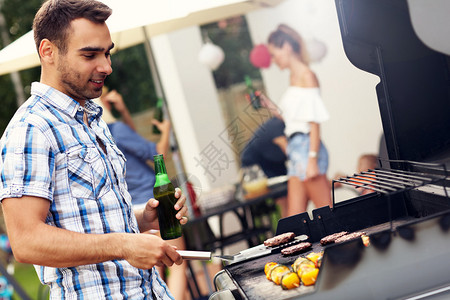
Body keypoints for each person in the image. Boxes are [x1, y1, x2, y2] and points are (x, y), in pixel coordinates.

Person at [0, 1, 189, 299]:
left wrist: (141, 217)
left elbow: (85, 216)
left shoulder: (92, 118)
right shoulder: (32, 128)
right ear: (48, 52)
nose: (106, 66)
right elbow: (25, 241)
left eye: (107, 52)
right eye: (90, 54)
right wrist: (124, 245)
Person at [96, 88, 189, 300]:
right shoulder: (117, 130)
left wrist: (124, 112)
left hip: (133, 210)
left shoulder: (101, 138)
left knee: (156, 270)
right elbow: (158, 155)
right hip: (156, 203)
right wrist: (166, 130)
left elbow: (131, 145)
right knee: (176, 263)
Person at [260, 24, 332, 216]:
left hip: (308, 148)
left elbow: (314, 122)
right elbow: (293, 120)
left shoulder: (308, 76)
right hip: (295, 150)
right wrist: (269, 106)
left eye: (274, 54)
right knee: (294, 221)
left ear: (286, 47)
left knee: (328, 215)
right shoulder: (293, 78)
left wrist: (312, 160)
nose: (273, 60)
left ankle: (350, 246)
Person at [241, 116, 288, 217]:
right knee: (284, 201)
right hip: (256, 167)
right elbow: (290, 152)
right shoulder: (276, 125)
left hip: (275, 163)